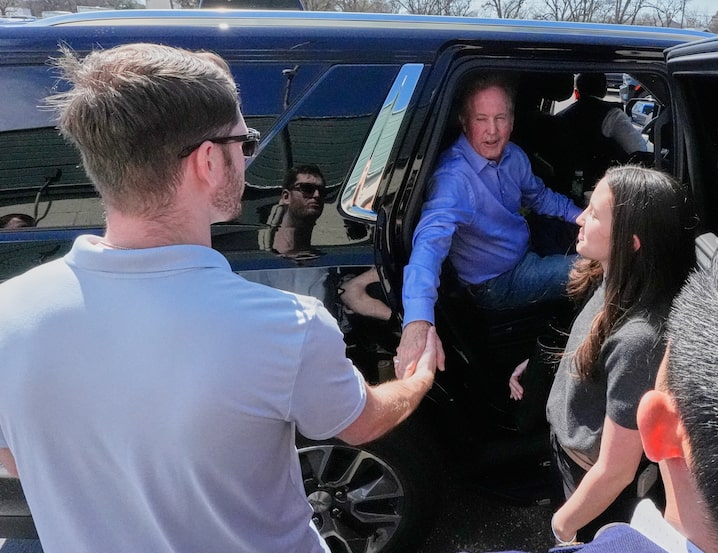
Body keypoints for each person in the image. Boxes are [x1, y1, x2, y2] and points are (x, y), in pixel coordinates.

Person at [0, 43, 440, 553]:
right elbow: (363, 422)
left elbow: (16, 456)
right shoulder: (287, 327)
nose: (248, 154)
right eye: (245, 139)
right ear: (208, 161)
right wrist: (417, 378)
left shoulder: (9, 313)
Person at [508, 165, 695, 544]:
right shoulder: (611, 276)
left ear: (632, 242)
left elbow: (615, 471)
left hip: (591, 483)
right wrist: (544, 367)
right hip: (570, 455)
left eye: (594, 213)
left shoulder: (638, 341)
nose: (579, 217)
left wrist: (563, 525)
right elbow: (592, 347)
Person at [397, 72, 583, 376]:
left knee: (585, 236)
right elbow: (429, 243)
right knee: (600, 266)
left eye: (501, 117)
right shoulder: (453, 180)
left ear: (512, 119)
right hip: (498, 282)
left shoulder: (514, 156)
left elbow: (539, 197)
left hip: (524, 246)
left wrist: (581, 215)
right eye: (481, 119)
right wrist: (417, 321)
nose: (493, 131)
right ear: (464, 120)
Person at [555, 73, 651, 193]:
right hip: (603, 186)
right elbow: (638, 150)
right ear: (604, 91)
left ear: (576, 92)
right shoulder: (613, 115)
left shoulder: (560, 117)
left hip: (563, 184)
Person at [271, 163, 326, 256]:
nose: (317, 195)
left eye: (322, 191)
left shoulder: (326, 258)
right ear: (286, 197)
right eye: (307, 188)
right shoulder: (261, 257)